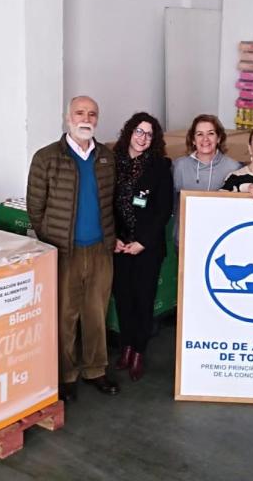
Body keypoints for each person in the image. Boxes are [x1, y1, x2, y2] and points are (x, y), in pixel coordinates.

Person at [27, 95, 119, 402]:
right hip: (63, 251)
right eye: (80, 112)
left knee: (95, 312)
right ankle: (65, 375)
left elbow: (112, 202)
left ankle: (95, 369)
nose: (86, 118)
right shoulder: (47, 157)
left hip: (99, 250)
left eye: (92, 114)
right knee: (65, 313)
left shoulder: (107, 157)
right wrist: (51, 240)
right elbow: (35, 208)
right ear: (68, 118)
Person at [111, 112, 174, 382]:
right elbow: (104, 202)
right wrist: (113, 237)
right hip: (117, 244)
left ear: (154, 139)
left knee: (143, 299)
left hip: (146, 246)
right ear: (129, 132)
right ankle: (125, 345)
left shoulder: (160, 166)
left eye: (149, 134)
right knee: (123, 298)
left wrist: (142, 242)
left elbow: (163, 210)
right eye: (139, 131)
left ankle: (138, 351)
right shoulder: (112, 162)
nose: (143, 137)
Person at [172, 114, 243, 237]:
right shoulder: (179, 166)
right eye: (199, 134)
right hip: (185, 238)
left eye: (210, 133)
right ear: (193, 140)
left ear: (219, 138)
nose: (205, 139)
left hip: (217, 238)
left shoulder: (233, 168)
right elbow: (173, 203)